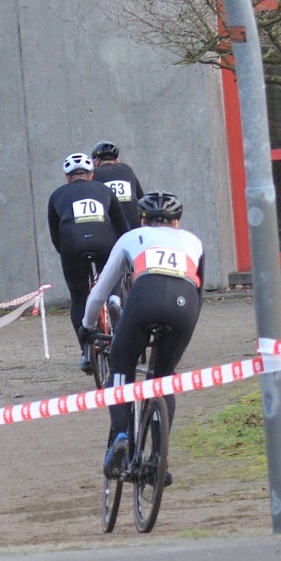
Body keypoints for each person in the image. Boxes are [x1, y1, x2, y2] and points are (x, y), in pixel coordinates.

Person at [83, 192, 202, 479]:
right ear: (176, 222)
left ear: (143, 220)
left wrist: (86, 326)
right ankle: (159, 460)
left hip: (144, 298)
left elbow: (99, 292)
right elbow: (200, 293)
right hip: (184, 306)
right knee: (163, 378)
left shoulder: (131, 237)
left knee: (120, 366)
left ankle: (121, 434)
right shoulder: (194, 242)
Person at [46, 153, 134, 368]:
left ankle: (86, 353)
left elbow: (55, 235)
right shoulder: (104, 190)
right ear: (91, 175)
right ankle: (114, 298)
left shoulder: (56, 195)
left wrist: (67, 255)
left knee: (79, 298)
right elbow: (122, 228)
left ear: (67, 178)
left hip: (72, 245)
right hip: (104, 241)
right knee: (112, 275)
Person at [91, 140, 143, 206]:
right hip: (133, 212)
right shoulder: (126, 169)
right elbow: (141, 197)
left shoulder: (94, 174)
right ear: (117, 160)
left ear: (96, 161)